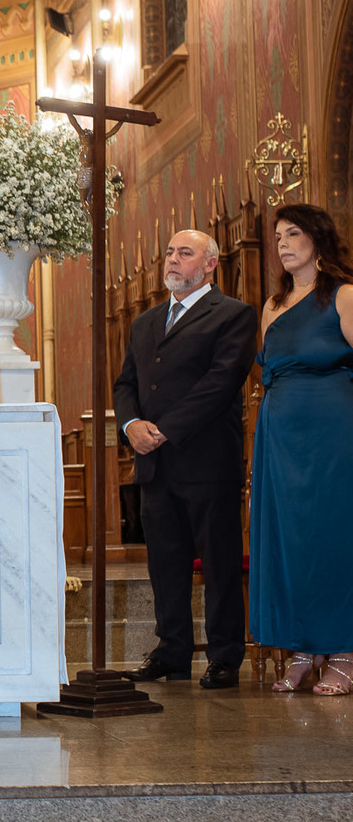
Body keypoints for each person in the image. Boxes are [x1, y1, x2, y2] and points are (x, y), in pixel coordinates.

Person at [113, 229, 258, 689]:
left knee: (218, 563)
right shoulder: (145, 321)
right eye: (170, 252)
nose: (172, 260)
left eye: (185, 253)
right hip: (155, 464)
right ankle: (172, 650)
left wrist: (165, 429)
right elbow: (125, 384)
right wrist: (131, 424)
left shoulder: (233, 315)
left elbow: (221, 382)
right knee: (166, 564)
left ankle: (224, 655)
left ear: (210, 264)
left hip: (206, 460)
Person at [248, 205, 353, 694]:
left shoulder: (344, 296)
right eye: (278, 236)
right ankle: (303, 647)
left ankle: (344, 649)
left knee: (332, 534)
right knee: (290, 538)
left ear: (318, 239)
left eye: (294, 233)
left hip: (334, 431)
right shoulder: (272, 305)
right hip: (279, 435)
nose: (283, 243)